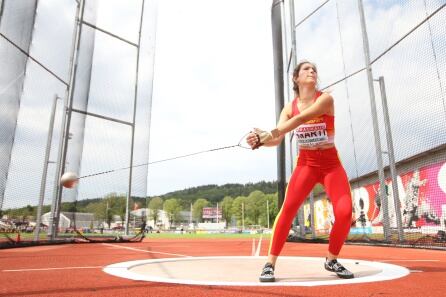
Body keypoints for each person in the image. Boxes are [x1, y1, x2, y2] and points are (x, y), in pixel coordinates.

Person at [246, 60, 354, 282]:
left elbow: (301, 119)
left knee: (345, 212)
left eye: (315, 69)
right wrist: (260, 141)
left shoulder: (325, 99)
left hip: (331, 164)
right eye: (306, 69)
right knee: (288, 209)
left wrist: (269, 132)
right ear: (296, 78)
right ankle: (270, 264)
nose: (312, 71)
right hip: (306, 164)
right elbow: (277, 140)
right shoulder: (289, 107)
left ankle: (331, 259)